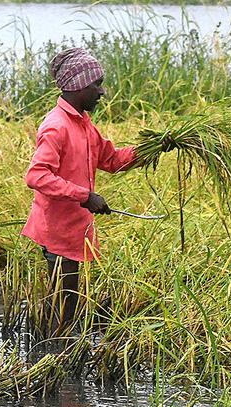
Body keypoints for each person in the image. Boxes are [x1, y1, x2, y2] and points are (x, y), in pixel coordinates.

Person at [22, 47, 139, 338]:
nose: (102, 91)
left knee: (67, 299)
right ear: (76, 86)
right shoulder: (56, 127)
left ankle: (55, 348)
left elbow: (111, 160)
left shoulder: (85, 124)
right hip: (57, 229)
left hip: (75, 228)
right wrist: (85, 195)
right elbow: (37, 176)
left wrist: (153, 148)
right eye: (96, 85)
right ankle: (52, 355)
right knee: (64, 302)